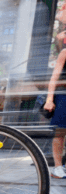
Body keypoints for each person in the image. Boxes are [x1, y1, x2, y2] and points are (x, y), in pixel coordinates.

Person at [42, 31, 66, 179]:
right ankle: (58, 167)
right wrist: (49, 99)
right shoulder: (64, 52)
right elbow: (54, 78)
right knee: (60, 133)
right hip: (64, 96)